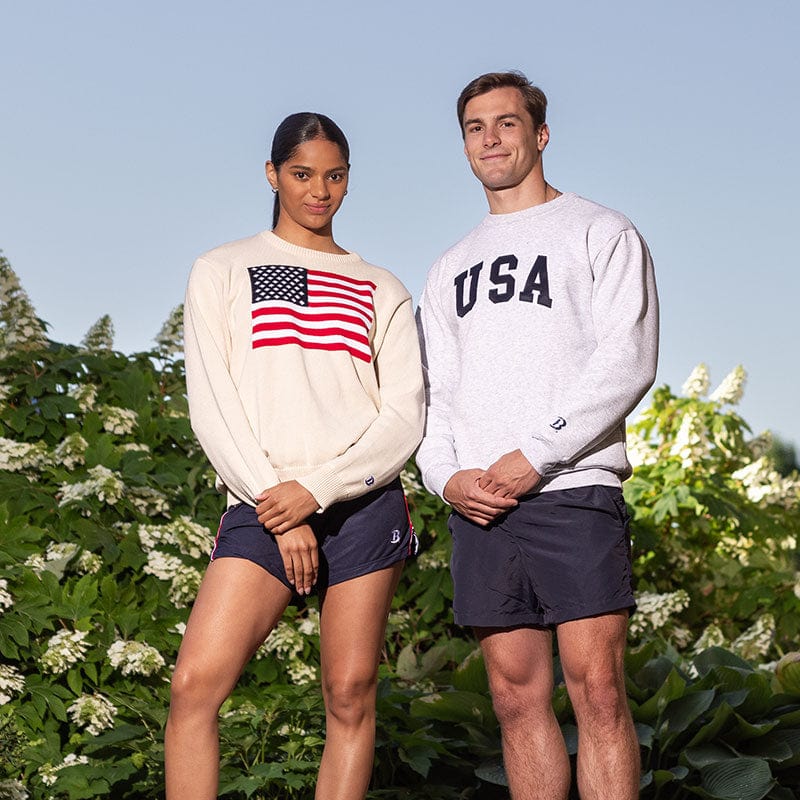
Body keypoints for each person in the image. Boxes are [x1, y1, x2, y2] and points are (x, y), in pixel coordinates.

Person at [165, 112, 425, 800]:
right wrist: (280, 505)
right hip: (263, 499)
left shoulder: (384, 287)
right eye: (302, 174)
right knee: (194, 687)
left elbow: (404, 417)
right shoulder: (222, 269)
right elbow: (213, 404)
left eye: (334, 176)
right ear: (272, 174)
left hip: (362, 503)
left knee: (350, 694)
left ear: (349, 180)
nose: (319, 191)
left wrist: (319, 488)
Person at [415, 71, 658, 800]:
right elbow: (434, 394)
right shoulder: (448, 267)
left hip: (573, 490)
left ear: (540, 134)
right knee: (515, 699)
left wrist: (538, 454)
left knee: (598, 691)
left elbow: (629, 359)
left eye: (507, 123)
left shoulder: (600, 231)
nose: (490, 139)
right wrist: (446, 478)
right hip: (482, 507)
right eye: (475, 127)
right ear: (464, 145)